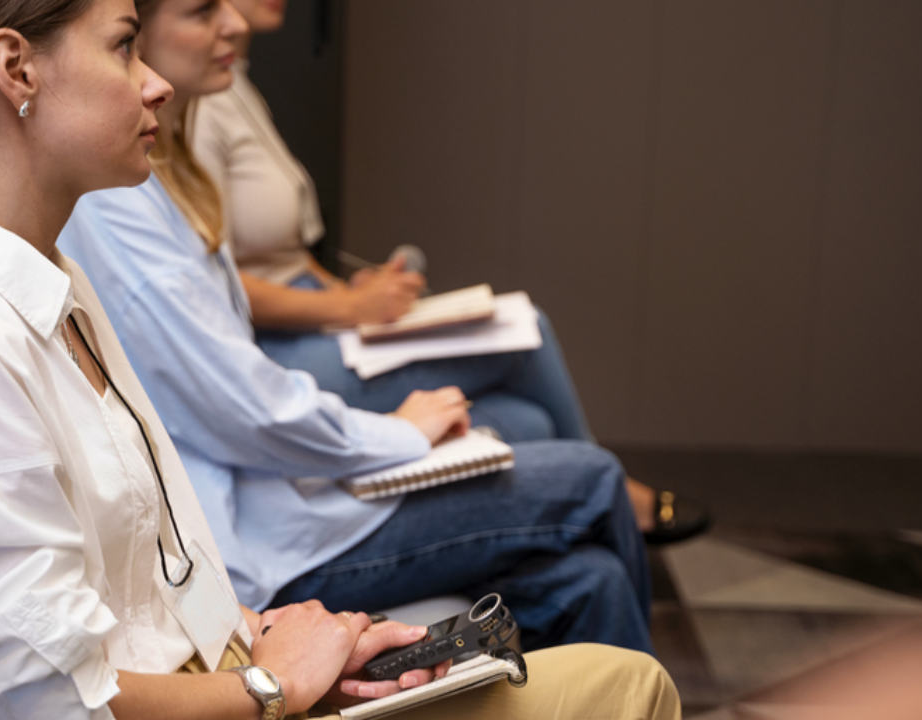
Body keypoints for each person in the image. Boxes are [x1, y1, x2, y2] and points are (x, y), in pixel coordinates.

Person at [0, 0, 681, 718]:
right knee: (626, 682)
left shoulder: (52, 285)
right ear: (16, 69)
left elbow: (134, 602)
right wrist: (270, 686)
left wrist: (273, 642)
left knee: (599, 650)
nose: (152, 83)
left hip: (233, 684)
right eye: (122, 46)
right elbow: (56, 705)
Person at [59, 0, 655, 656]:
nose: (234, 24)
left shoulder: (166, 174)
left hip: (281, 501)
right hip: (257, 546)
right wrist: (398, 434)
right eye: (127, 47)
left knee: (590, 580)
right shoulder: (115, 202)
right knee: (593, 477)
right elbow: (242, 408)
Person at [189, 0, 708, 543]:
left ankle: (567, 529)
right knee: (523, 330)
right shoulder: (195, 112)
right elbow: (218, 282)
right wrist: (348, 309)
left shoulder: (236, 86)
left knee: (525, 419)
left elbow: (280, 253)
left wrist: (350, 290)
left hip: (312, 318)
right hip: (274, 350)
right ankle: (611, 493)